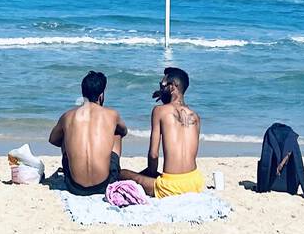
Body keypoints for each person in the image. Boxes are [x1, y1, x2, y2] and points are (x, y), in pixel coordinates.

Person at [120, 66, 204, 198]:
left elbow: (153, 155)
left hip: (171, 186)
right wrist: (165, 96)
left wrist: (150, 173)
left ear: (172, 86)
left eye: (162, 85)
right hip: (195, 182)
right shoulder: (195, 116)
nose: (160, 89)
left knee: (123, 174)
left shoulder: (159, 111)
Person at [48, 70, 128, 196]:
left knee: (64, 135)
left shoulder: (68, 116)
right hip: (104, 185)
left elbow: (53, 139)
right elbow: (124, 131)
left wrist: (71, 140)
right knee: (117, 133)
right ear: (101, 95)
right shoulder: (112, 114)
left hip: (74, 186)